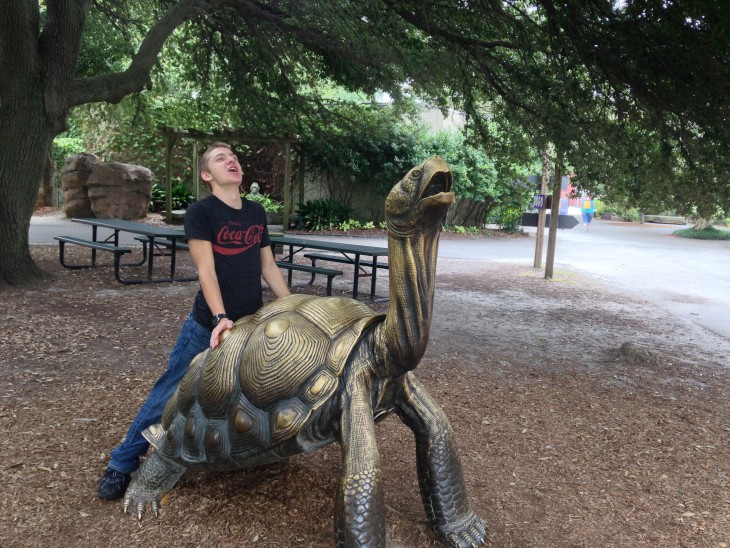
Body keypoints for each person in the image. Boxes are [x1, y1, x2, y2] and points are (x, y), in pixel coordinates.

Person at [97, 142, 291, 501]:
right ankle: (121, 464)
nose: (231, 160)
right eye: (221, 158)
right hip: (208, 326)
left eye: (234, 157)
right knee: (169, 393)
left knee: (243, 394)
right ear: (207, 175)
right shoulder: (201, 212)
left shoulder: (256, 212)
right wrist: (220, 317)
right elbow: (206, 270)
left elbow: (268, 267)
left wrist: (295, 306)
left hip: (250, 324)